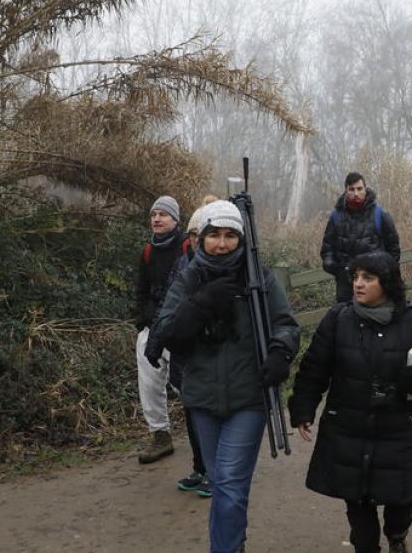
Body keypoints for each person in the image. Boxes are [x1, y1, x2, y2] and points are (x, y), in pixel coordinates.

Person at [148, 199, 300, 553]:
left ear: (241, 239)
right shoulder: (189, 277)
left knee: (229, 483)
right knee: (220, 483)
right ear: (201, 239)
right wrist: (202, 303)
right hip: (201, 395)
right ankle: (234, 542)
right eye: (214, 235)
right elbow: (167, 330)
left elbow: (285, 325)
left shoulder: (259, 278)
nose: (221, 243)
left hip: (250, 395)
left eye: (230, 235)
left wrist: (280, 351)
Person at [288, 251, 412, 553]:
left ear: (388, 282)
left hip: (400, 430)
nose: (358, 284)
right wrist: (303, 408)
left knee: (400, 500)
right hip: (348, 428)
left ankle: (397, 534)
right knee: (357, 502)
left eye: (368, 278)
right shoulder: (338, 319)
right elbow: (315, 367)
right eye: (355, 277)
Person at [154, 196, 220, 497]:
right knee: (192, 413)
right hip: (184, 358)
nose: (195, 240)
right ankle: (200, 468)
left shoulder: (221, 269)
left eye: (200, 234)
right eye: (192, 234)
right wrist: (157, 337)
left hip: (210, 360)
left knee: (208, 414)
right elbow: (169, 302)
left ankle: (214, 472)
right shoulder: (183, 263)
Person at [133, 195, 188, 464]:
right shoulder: (147, 250)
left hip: (180, 330)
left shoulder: (188, 247)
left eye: (163, 214)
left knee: (187, 384)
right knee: (149, 385)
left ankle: (204, 432)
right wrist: (145, 320)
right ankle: (160, 436)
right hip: (151, 327)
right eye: (153, 214)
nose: (156, 218)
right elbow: (141, 290)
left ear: (175, 219)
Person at [321, 172, 401, 303]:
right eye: (351, 189)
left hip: (375, 284)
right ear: (345, 191)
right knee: (346, 321)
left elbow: (393, 248)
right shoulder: (336, 217)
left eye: (359, 189)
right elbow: (327, 250)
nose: (356, 193)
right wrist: (339, 271)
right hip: (346, 286)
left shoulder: (379, 214)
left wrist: (384, 273)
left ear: (366, 189)